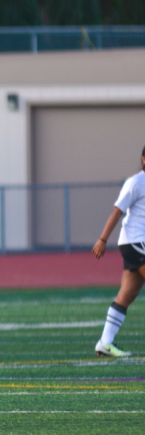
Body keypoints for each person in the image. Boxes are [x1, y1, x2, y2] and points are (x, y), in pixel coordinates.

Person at [91, 145, 145, 357]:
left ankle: (105, 343)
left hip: (137, 244)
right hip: (135, 243)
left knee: (128, 294)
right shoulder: (136, 182)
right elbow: (118, 212)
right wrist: (103, 239)